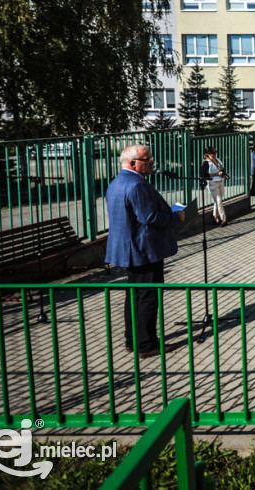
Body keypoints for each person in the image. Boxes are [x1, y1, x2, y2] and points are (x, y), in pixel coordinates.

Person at [105, 145, 184, 357]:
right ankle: (147, 345)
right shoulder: (137, 185)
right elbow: (149, 218)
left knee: (134, 296)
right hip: (144, 249)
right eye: (147, 159)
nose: (151, 162)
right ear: (133, 163)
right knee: (148, 297)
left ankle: (133, 340)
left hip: (129, 249)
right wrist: (176, 217)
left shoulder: (116, 182)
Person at [200, 146, 228, 226]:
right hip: (212, 183)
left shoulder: (217, 160)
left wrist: (223, 173)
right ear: (208, 154)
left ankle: (215, 216)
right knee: (219, 201)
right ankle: (224, 219)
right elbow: (204, 175)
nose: (214, 154)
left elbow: (222, 169)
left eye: (214, 153)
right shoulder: (206, 163)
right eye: (212, 153)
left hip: (221, 181)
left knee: (218, 201)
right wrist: (216, 174)